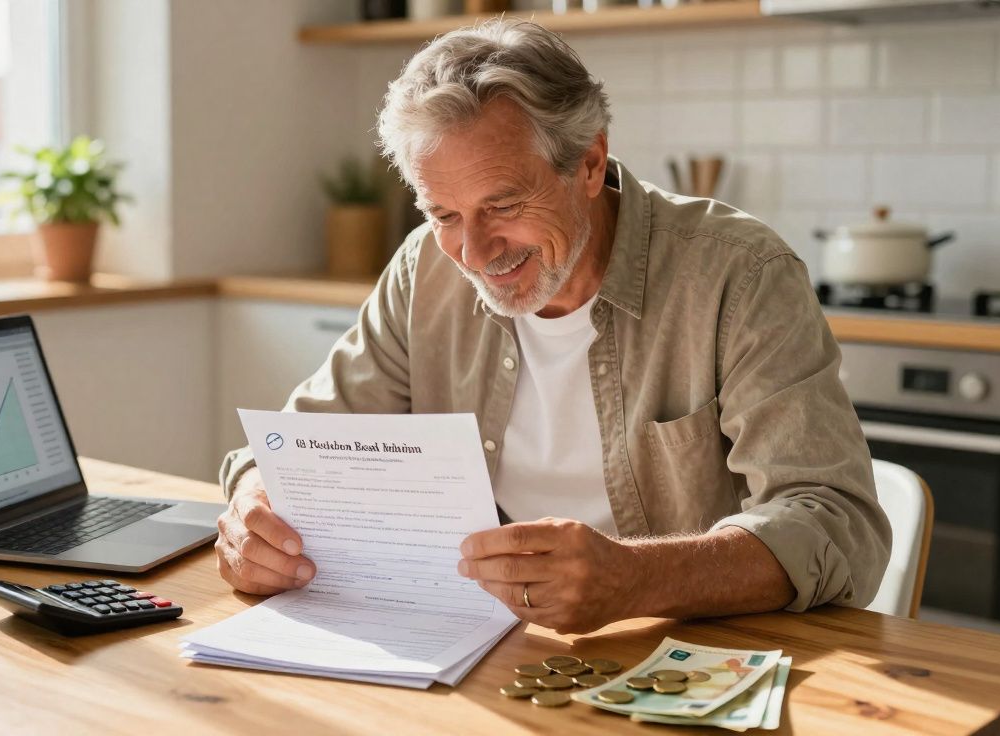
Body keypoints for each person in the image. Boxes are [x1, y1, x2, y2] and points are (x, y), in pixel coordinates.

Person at [215, 19, 890, 635]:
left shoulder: (739, 274)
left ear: (589, 164)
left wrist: (637, 579)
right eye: (443, 214)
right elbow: (295, 449)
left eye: (504, 205)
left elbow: (837, 522)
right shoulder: (425, 268)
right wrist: (255, 509)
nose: (474, 253)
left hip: (690, 653)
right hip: (485, 642)